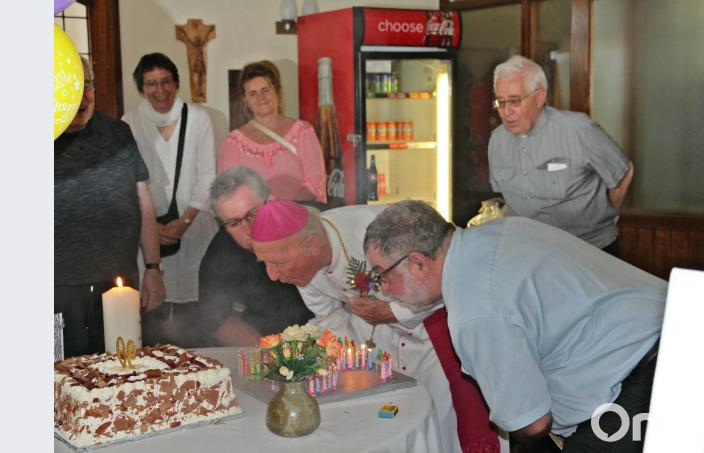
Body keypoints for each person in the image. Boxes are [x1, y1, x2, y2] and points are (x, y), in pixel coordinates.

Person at [363, 200, 667, 453]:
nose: (383, 288)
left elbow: (531, 422)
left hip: (636, 380)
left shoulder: (474, 310)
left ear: (418, 262)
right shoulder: (504, 229)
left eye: (382, 274)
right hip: (675, 325)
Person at [249, 201, 470, 453]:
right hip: (379, 342)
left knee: (442, 422)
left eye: (278, 263)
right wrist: (356, 367)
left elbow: (439, 275)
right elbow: (329, 317)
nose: (272, 276)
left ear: (311, 245)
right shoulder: (303, 268)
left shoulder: (374, 230)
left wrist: (391, 312)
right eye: (264, 263)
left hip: (431, 335)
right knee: (389, 422)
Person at [55, 57, 165, 357]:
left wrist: (154, 268)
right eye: (69, 87)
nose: (80, 95)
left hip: (118, 286)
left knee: (121, 370)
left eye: (86, 85)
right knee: (59, 375)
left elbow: (143, 199)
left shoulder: (119, 133)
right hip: (56, 289)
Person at [488, 55, 634, 256]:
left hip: (589, 251)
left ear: (539, 97)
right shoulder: (497, 140)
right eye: (500, 102)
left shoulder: (578, 130)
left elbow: (623, 172)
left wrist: (601, 218)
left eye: (514, 101)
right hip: (529, 252)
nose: (506, 112)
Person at [123, 52, 218, 346]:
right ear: (141, 88)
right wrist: (152, 227)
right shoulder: (129, 123)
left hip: (195, 226)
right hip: (148, 232)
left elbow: (207, 176)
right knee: (155, 312)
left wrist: (185, 220)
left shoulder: (199, 118)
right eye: (151, 83)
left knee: (195, 312)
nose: (160, 90)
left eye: (166, 81)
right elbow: (130, 183)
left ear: (177, 84)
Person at [200, 166, 313, 346]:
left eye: (252, 214)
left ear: (271, 202)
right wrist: (273, 357)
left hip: (330, 334)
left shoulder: (310, 225)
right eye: (234, 223)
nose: (248, 229)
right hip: (265, 340)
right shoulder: (221, 252)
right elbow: (218, 319)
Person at [218, 60, 326, 203]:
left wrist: (286, 214)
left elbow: (314, 183)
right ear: (245, 100)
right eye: (252, 94)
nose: (260, 98)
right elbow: (228, 193)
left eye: (266, 90)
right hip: (255, 223)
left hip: (299, 220)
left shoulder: (303, 132)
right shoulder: (233, 143)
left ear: (278, 91)